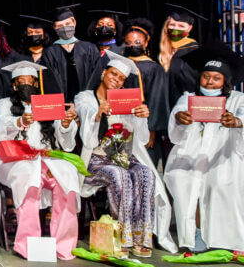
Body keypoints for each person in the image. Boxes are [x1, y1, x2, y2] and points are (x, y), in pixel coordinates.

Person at [75, 52, 177, 257]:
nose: (116, 80)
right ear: (104, 73)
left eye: (121, 78)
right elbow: (87, 134)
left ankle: (142, 237)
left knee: (146, 174)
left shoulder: (125, 100)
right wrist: (98, 113)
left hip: (122, 156)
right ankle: (122, 237)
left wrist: (141, 117)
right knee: (120, 175)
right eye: (113, 74)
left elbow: (139, 139)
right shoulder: (85, 97)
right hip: (94, 161)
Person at [0, 61, 80, 260]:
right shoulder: (4, 104)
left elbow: (65, 140)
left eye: (30, 81)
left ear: (36, 84)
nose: (26, 85)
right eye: (21, 81)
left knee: (67, 176)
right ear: (14, 85)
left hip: (45, 157)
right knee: (28, 179)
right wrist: (20, 121)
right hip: (13, 159)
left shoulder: (47, 103)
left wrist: (65, 124)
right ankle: (28, 244)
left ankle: (64, 244)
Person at [165, 49, 244, 254]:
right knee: (187, 181)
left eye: (216, 78)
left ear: (225, 81)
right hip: (191, 155)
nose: (209, 82)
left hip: (224, 156)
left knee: (222, 183)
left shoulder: (237, 99)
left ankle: (227, 238)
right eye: (206, 76)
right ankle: (195, 234)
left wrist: (237, 122)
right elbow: (175, 123)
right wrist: (179, 119)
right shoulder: (188, 97)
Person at [121, 18, 170, 167]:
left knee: (145, 166)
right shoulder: (119, 66)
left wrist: (151, 130)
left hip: (145, 124)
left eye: (137, 42)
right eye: (128, 43)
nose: (132, 46)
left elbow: (157, 100)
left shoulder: (154, 68)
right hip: (122, 122)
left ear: (146, 43)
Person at [41, 4, 101, 103]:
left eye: (68, 23)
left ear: (74, 23)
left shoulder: (90, 48)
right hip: (62, 104)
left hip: (87, 103)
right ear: (55, 28)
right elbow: (51, 82)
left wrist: (84, 101)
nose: (65, 28)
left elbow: (95, 77)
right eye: (60, 26)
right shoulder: (50, 52)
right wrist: (63, 104)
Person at [160, 3, 207, 107]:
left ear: (189, 28)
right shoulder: (160, 49)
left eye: (181, 26)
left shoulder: (194, 51)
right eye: (172, 25)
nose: (176, 28)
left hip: (183, 103)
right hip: (162, 103)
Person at [87, 10, 129, 77]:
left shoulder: (122, 49)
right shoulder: (90, 48)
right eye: (100, 24)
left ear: (115, 30)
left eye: (109, 25)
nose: (104, 27)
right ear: (95, 29)